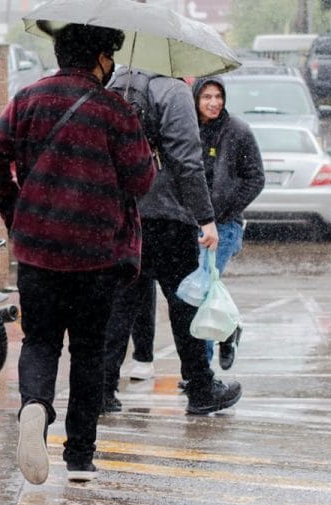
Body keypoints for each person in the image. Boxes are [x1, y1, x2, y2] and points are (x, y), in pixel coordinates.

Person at [0, 24, 156, 485]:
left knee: (40, 342)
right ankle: (79, 457)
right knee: (89, 351)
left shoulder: (28, 98)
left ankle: (35, 406)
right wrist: (141, 141)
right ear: (99, 58)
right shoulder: (115, 109)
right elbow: (141, 181)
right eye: (110, 57)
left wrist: (17, 211)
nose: (112, 66)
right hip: (97, 254)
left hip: (39, 251)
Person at [101, 67, 243, 416]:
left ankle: (101, 390)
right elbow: (187, 161)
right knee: (185, 305)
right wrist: (206, 218)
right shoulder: (174, 92)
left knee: (119, 307)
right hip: (169, 219)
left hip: (123, 215)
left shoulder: (115, 85)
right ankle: (201, 388)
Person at [193, 76, 265, 369]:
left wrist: (224, 211)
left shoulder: (237, 131)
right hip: (192, 223)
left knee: (203, 287)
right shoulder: (186, 128)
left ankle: (202, 370)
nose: (214, 103)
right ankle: (229, 327)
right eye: (206, 97)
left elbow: (256, 178)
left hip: (224, 226)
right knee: (195, 289)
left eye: (218, 96)